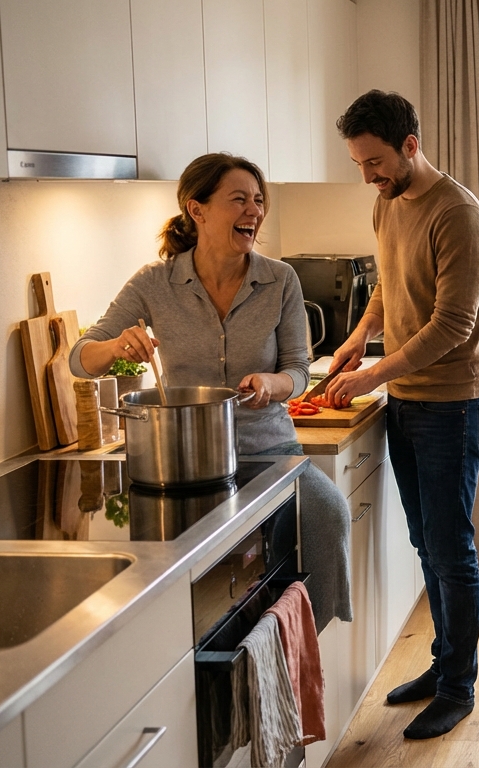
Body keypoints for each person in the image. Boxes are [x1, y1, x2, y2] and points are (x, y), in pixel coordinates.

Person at [70, 152, 352, 632]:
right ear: (195, 210)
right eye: (238, 199)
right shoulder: (154, 283)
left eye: (258, 200)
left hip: (270, 452)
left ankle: (306, 640)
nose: (255, 212)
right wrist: (117, 345)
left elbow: (299, 371)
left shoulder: (280, 279)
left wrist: (272, 383)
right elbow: (80, 357)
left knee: (328, 513)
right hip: (184, 464)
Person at [325, 90, 479, 740]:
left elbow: (452, 324)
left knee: (451, 548)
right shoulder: (387, 202)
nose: (367, 176)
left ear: (410, 146)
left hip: (452, 403)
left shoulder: (456, 213)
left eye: (373, 162)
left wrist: (372, 372)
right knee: (427, 541)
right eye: (358, 163)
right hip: (406, 398)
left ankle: (459, 686)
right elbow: (382, 286)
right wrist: (356, 341)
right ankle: (441, 664)